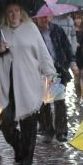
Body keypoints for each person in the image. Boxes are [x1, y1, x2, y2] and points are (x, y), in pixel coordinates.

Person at [0, 3, 56, 165]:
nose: (14, 15)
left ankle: (27, 164)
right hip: (8, 85)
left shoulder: (31, 28)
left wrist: (50, 74)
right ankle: (20, 150)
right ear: (4, 15)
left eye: (16, 11)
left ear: (22, 12)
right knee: (6, 125)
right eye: (9, 12)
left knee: (29, 126)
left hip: (29, 82)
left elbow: (42, 52)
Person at [33, 10, 75, 142]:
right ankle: (47, 130)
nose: (44, 20)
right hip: (42, 72)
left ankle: (61, 131)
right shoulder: (34, 33)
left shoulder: (57, 30)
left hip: (57, 70)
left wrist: (71, 62)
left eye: (45, 16)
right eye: (41, 17)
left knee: (59, 100)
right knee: (45, 103)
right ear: (36, 18)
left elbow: (66, 47)